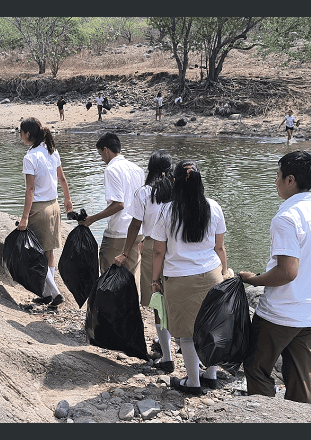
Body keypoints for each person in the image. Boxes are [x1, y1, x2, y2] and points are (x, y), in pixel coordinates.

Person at [238, 151, 311, 404]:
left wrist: (254, 279)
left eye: (278, 176)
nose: (276, 181)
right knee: (300, 375)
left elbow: (287, 272)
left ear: (290, 179)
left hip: (281, 311)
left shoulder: (286, 218)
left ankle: (269, 418)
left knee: (255, 366)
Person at [150, 159, 233, 395]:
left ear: (175, 182)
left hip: (179, 279)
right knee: (212, 328)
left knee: (186, 333)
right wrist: (225, 272)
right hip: (212, 275)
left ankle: (193, 382)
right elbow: (220, 248)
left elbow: (158, 251)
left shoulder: (167, 211)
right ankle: (211, 375)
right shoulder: (213, 207)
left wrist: (156, 281)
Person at [112, 150, 174, 364]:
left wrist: (125, 252)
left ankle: (167, 357)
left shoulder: (144, 193)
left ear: (151, 169)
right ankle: (173, 343)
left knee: (157, 301)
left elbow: (135, 224)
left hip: (152, 248)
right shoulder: (178, 191)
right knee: (174, 298)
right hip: (177, 249)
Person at [17, 117, 74, 309]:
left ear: (28, 134)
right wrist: (67, 199)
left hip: (39, 210)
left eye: (21, 132)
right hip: (54, 206)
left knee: (35, 254)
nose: (20, 135)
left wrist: (24, 217)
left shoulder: (30, 157)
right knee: (48, 252)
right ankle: (47, 293)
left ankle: (55, 293)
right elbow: (62, 178)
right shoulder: (52, 151)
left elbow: (30, 190)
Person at [78, 133, 145, 290]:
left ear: (106, 150)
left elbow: (119, 204)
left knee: (108, 279)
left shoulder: (111, 169)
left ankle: (110, 313)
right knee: (128, 279)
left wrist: (92, 219)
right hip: (137, 232)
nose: (102, 158)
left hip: (118, 233)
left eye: (101, 154)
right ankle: (127, 313)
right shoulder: (138, 170)